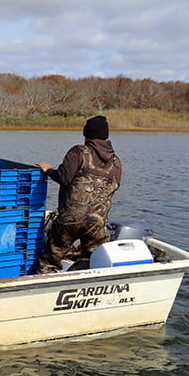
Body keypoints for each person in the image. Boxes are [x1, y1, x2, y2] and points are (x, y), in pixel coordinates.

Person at [35, 115, 122, 273]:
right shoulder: (116, 162)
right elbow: (114, 188)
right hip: (97, 223)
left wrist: (48, 170)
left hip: (70, 221)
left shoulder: (79, 152)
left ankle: (45, 286)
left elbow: (63, 177)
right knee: (95, 260)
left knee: (50, 259)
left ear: (86, 134)